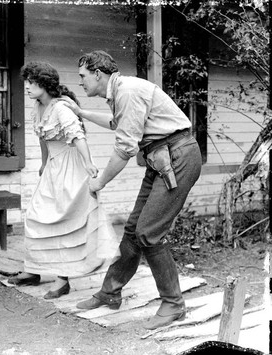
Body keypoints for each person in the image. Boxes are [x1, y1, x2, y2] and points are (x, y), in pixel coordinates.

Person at [64, 50, 202, 330]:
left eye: (83, 76)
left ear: (98, 74)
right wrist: (81, 113)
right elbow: (117, 124)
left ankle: (174, 304)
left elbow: (125, 148)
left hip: (178, 157)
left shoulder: (127, 91)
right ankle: (110, 292)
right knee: (133, 229)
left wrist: (99, 182)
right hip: (161, 157)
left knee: (149, 232)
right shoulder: (120, 92)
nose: (80, 82)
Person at [8, 61, 117, 299]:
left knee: (64, 221)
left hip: (71, 167)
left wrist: (88, 163)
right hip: (54, 166)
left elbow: (78, 136)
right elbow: (43, 138)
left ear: (45, 85)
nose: (27, 87)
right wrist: (44, 163)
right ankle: (34, 270)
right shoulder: (37, 107)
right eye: (27, 83)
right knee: (35, 217)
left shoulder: (61, 108)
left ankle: (62, 279)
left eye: (32, 83)